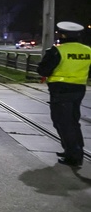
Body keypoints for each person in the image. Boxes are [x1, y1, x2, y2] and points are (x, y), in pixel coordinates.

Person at [37, 21, 91, 169]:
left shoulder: (57, 51)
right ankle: (74, 150)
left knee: (62, 122)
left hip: (60, 91)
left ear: (63, 35)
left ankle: (73, 156)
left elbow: (43, 70)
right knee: (73, 121)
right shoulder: (88, 50)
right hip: (79, 89)